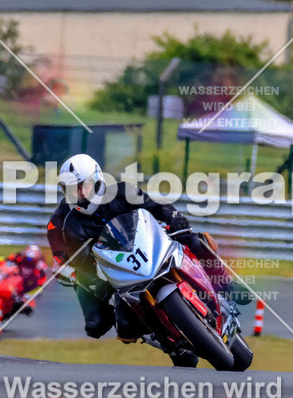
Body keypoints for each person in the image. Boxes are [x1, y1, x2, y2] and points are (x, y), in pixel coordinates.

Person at [52, 154, 251, 359]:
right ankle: (171, 343)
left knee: (195, 241)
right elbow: (83, 263)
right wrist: (95, 284)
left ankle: (226, 285)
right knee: (126, 328)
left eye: (80, 186)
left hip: (152, 244)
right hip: (121, 273)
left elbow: (155, 206)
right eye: (70, 189)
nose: (77, 194)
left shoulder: (121, 191)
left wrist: (174, 218)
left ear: (96, 180)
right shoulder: (72, 226)